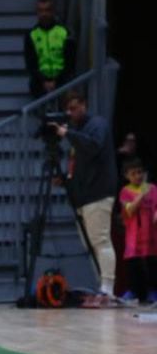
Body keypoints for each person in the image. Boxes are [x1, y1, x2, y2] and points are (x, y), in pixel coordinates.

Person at [52, 92, 119, 301]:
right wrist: (66, 180)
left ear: (84, 105)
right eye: (68, 110)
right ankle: (102, 286)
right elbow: (80, 165)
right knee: (90, 244)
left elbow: (93, 146)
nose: (71, 113)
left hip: (98, 191)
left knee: (100, 240)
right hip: (83, 195)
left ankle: (108, 287)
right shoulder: (78, 131)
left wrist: (67, 133)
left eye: (74, 108)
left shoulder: (97, 124)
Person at [119, 158, 157, 305]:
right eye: (133, 173)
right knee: (134, 265)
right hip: (134, 236)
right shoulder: (125, 192)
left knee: (152, 264)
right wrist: (141, 194)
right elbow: (130, 210)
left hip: (151, 235)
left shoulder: (153, 189)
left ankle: (153, 292)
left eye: (140, 172)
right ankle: (134, 291)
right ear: (127, 176)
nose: (138, 176)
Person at [25, 0, 75, 98]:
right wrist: (44, 81)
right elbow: (30, 63)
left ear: (53, 11)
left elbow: (71, 60)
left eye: (47, 10)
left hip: (63, 80)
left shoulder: (65, 32)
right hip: (39, 82)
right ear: (37, 13)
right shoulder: (31, 35)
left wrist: (56, 81)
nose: (44, 14)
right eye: (41, 11)